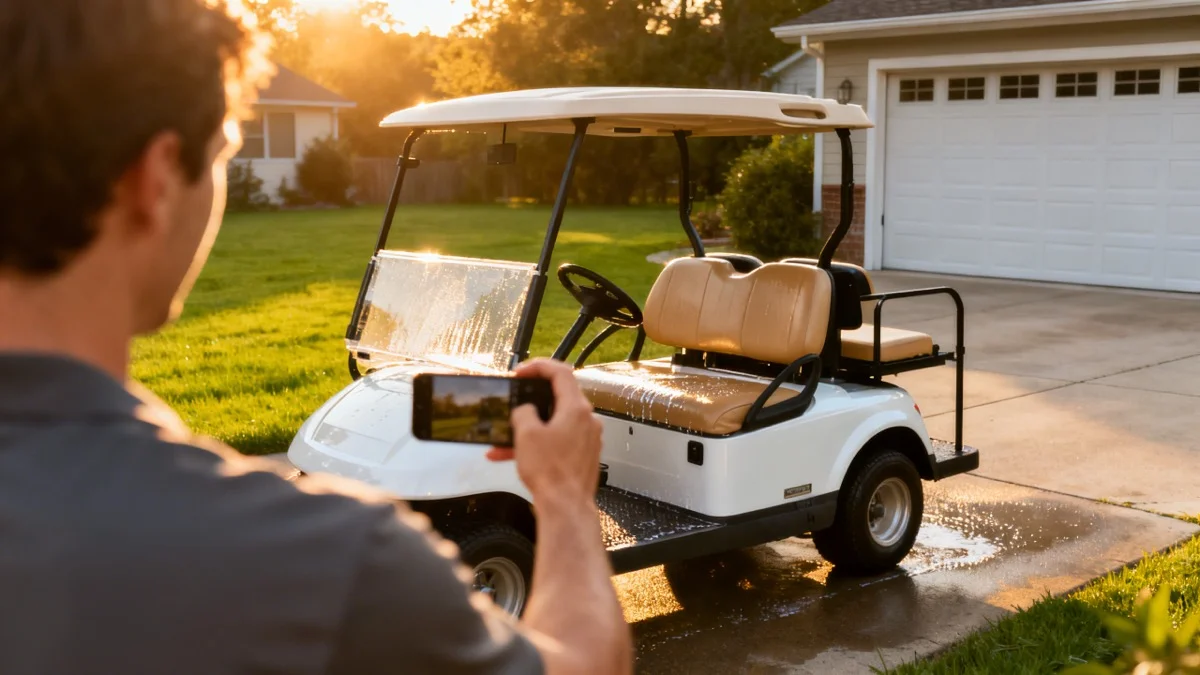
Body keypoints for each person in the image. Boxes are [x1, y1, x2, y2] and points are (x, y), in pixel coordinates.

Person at [0, 1, 632, 674]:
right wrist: (564, 495)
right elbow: (586, 662)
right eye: (222, 157)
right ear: (154, 182)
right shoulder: (327, 562)